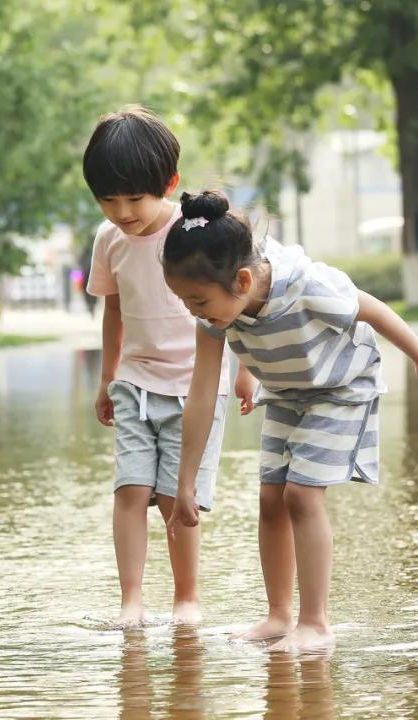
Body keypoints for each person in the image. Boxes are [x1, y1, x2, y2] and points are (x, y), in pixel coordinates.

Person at [162, 190, 418, 652]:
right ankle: (279, 616)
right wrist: (185, 483)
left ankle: (316, 623)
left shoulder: (307, 285)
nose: (194, 313)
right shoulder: (219, 310)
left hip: (342, 388)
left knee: (300, 495)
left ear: (240, 279)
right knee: (270, 498)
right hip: (288, 392)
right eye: (185, 303)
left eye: (198, 301)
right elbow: (199, 396)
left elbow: (370, 308)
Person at [84, 107, 256, 627]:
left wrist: (246, 368)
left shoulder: (190, 236)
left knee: (171, 499)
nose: (122, 211)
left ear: (169, 184)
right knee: (130, 490)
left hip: (193, 388)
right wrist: (107, 377)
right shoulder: (108, 240)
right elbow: (113, 309)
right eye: (108, 200)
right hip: (134, 383)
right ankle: (131, 600)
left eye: (134, 198)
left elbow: (236, 300)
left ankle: (186, 597)